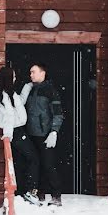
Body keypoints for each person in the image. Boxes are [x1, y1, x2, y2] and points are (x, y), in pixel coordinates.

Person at [0, 66, 40, 205]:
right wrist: (8, 135)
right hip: (15, 132)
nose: (15, 79)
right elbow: (8, 116)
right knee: (34, 158)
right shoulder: (0, 95)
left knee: (22, 161)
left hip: (17, 131)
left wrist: (28, 86)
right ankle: (31, 191)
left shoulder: (9, 93)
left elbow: (20, 103)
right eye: (12, 77)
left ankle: (21, 191)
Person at [20, 62, 64, 207]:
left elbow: (58, 113)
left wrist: (54, 132)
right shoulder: (30, 90)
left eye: (33, 72)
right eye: (30, 72)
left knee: (48, 165)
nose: (31, 75)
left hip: (45, 135)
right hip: (31, 134)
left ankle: (56, 195)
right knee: (35, 164)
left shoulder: (50, 90)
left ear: (42, 73)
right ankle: (40, 193)